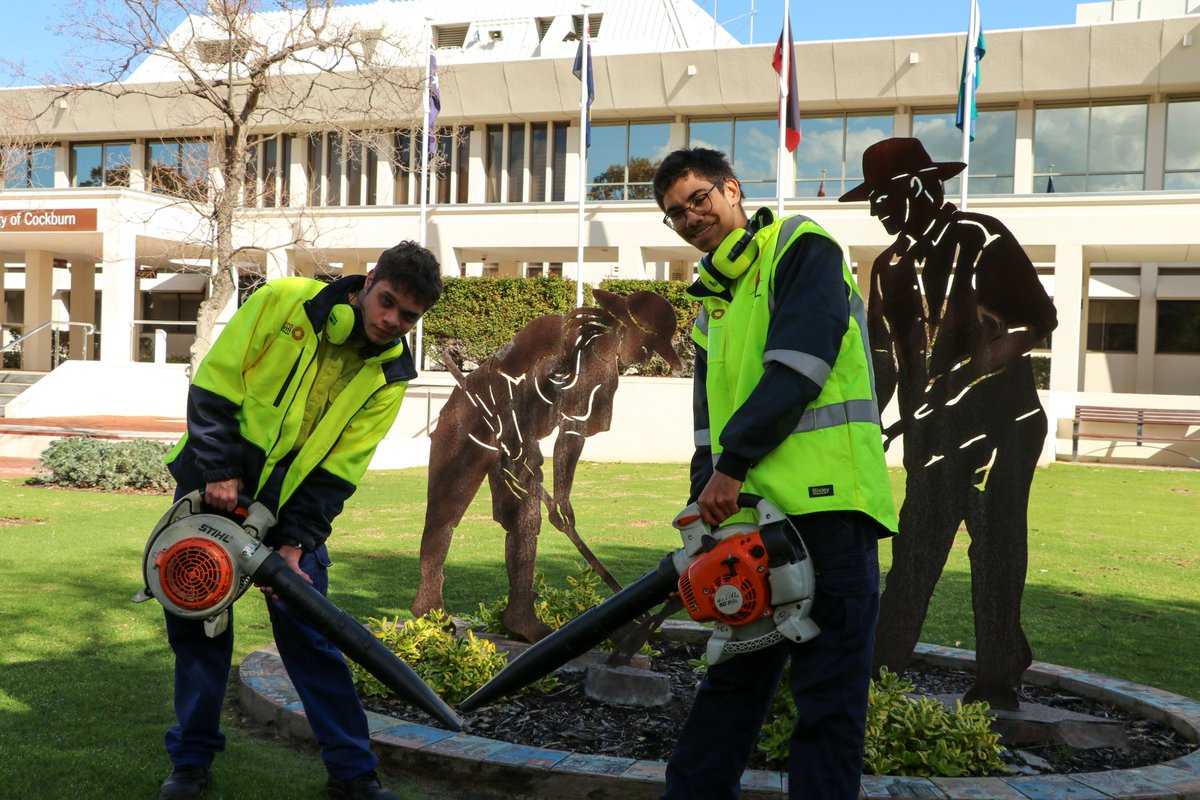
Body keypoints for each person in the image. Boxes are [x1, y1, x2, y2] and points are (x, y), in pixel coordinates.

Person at [652, 148, 897, 800]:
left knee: (827, 704)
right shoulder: (712, 305)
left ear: (732, 189)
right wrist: (700, 523)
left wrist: (732, 466)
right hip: (751, 527)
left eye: (699, 198)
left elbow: (800, 364)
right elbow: (706, 432)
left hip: (830, 514)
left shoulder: (800, 246)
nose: (690, 217)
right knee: (731, 691)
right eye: (676, 213)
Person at [157, 241, 443, 800]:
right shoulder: (283, 300)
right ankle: (190, 764)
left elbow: (342, 467)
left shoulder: (392, 373)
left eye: (408, 316)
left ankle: (353, 776)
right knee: (198, 630)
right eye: (387, 301)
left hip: (293, 514)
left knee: (312, 636)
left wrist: (296, 542)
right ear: (368, 281)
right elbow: (216, 381)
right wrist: (218, 470)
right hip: (213, 491)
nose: (392, 321)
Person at [837, 138, 1057, 708]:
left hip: (1002, 425)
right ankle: (877, 673)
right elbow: (883, 358)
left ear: (917, 187)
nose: (875, 210)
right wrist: (867, 420)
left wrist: (957, 382)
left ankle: (998, 680)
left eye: (881, 197)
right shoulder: (887, 268)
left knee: (995, 546)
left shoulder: (981, 238)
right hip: (932, 437)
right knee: (914, 549)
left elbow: (1035, 321)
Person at [411, 289, 682, 642]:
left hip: (520, 438)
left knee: (527, 517)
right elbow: (504, 374)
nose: (647, 358)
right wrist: (514, 439)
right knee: (445, 511)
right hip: (473, 415)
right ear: (628, 329)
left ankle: (519, 610)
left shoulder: (604, 378)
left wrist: (562, 496)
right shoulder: (556, 332)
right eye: (649, 347)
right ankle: (427, 599)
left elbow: (572, 434)